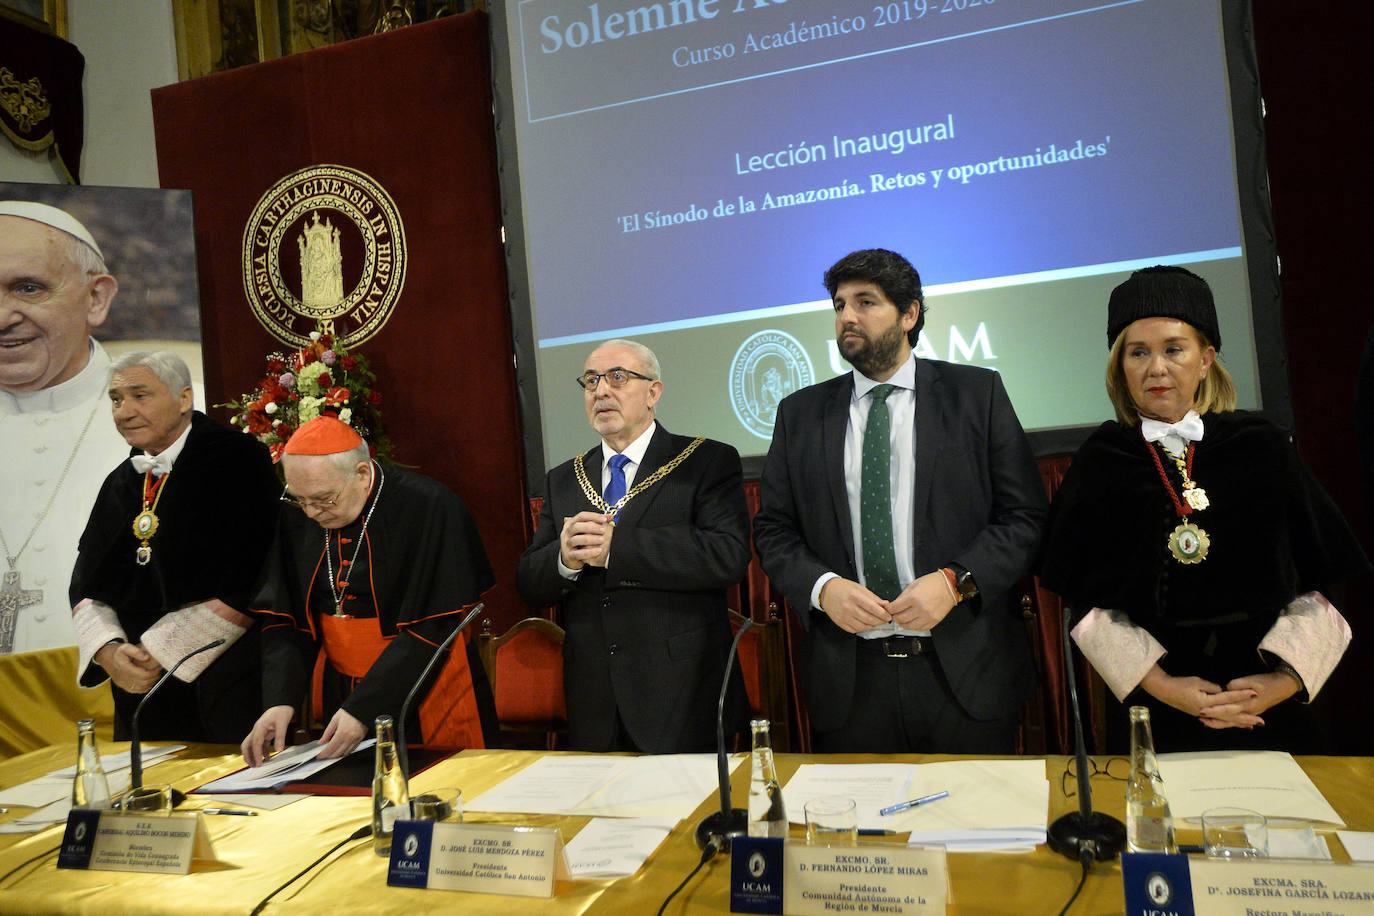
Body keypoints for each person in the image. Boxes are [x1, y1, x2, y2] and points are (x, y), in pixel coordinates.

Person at [1039, 265, 1367, 752]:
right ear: (1119, 366)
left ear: (1206, 358)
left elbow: (1325, 578)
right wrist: (1162, 686)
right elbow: (1088, 604)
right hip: (1154, 709)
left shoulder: (1263, 448)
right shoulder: (1100, 463)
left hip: (1269, 704)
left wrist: (1281, 682)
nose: (1156, 368)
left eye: (1174, 349)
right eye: (1138, 352)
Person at [753, 249, 1046, 753]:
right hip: (851, 681)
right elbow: (773, 529)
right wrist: (823, 589)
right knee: (859, 832)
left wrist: (957, 581)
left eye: (866, 302)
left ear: (909, 314)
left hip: (963, 671)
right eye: (840, 304)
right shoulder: (799, 414)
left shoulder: (976, 394)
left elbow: (1024, 516)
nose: (847, 316)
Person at [516, 339, 752, 753]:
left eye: (617, 377)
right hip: (595, 703)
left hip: (683, 695)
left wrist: (615, 550)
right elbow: (530, 583)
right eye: (591, 381)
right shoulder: (564, 479)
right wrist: (564, 559)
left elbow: (726, 556)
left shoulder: (705, 461)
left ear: (653, 392)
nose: (601, 391)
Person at [242, 416, 496, 766]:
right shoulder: (298, 512)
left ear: (362, 474)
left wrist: (366, 708)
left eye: (323, 499)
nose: (312, 513)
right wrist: (279, 700)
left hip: (429, 685)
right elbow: (288, 619)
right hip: (342, 694)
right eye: (301, 499)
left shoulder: (430, 506)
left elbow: (434, 624)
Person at [69, 351, 279, 741]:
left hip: (223, 682)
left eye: (139, 396)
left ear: (184, 399)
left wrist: (161, 650)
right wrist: (110, 653)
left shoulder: (238, 459)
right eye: (116, 400)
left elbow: (259, 572)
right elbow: (85, 583)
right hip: (136, 682)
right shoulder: (121, 481)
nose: (124, 412)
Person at [0, 201, 131, 654]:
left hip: (122, 707)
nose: (3, 318)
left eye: (29, 288)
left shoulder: (181, 418)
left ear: (96, 298)